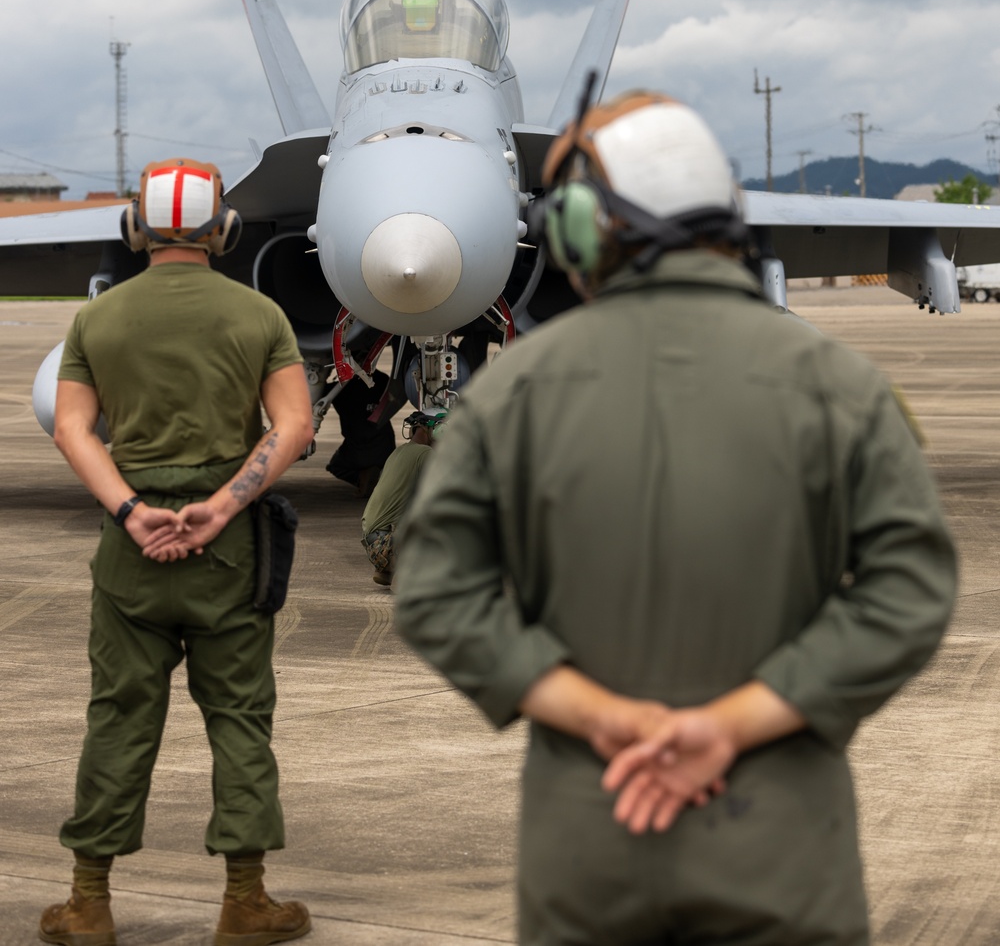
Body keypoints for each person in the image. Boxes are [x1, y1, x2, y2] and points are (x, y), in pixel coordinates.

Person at [394, 92, 957, 946]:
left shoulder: (510, 393)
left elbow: (435, 591)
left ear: (585, 228)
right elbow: (910, 587)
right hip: (782, 854)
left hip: (589, 850)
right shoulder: (839, 385)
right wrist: (731, 722)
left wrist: (599, 713)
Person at [40, 157, 315, 946]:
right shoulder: (258, 315)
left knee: (118, 720)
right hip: (227, 547)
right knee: (239, 720)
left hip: (131, 555)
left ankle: (88, 902)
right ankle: (246, 902)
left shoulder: (98, 319)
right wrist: (225, 503)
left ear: (139, 226)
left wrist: (130, 511)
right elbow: (291, 427)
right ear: (221, 229)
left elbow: (71, 429)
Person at [360, 411, 440, 586]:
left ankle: (385, 570)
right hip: (388, 545)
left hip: (375, 546)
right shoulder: (425, 453)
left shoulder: (398, 453)